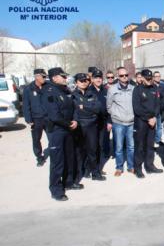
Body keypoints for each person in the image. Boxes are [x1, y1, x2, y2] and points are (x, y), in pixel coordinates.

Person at [43, 67, 79, 201]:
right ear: (54, 78)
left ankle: (69, 182)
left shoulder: (65, 90)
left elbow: (73, 107)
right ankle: (56, 190)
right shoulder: (49, 92)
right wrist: (70, 123)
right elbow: (54, 115)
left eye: (65, 76)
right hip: (57, 131)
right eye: (63, 77)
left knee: (70, 158)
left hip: (68, 129)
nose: (65, 79)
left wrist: (75, 119)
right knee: (57, 161)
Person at [72, 73, 105, 181]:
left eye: (86, 80)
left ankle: (95, 173)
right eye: (81, 81)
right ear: (76, 82)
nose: (84, 82)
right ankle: (81, 173)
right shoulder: (73, 95)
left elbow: (98, 108)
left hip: (92, 126)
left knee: (93, 150)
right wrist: (89, 107)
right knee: (80, 151)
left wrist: (84, 106)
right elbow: (75, 110)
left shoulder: (91, 94)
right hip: (80, 126)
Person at [132, 69, 164, 178]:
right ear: (142, 78)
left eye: (151, 78)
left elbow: (157, 105)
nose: (149, 80)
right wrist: (148, 118)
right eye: (147, 78)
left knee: (150, 145)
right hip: (141, 122)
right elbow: (137, 108)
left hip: (152, 121)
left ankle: (149, 166)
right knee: (140, 146)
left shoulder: (155, 89)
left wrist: (154, 117)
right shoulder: (137, 90)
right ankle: (138, 169)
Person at [107, 67, 135, 177]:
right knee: (118, 147)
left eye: (126, 75)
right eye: (122, 75)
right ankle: (119, 167)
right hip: (118, 123)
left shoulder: (133, 89)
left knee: (131, 147)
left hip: (131, 123)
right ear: (118, 77)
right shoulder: (112, 89)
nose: (124, 77)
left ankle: (131, 166)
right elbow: (109, 106)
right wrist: (116, 115)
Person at [22, 68, 49, 166]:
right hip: (36, 119)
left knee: (53, 137)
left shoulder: (47, 87)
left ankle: (55, 154)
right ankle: (39, 157)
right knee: (36, 139)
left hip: (48, 118)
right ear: (37, 76)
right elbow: (25, 105)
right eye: (43, 76)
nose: (45, 78)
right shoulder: (28, 89)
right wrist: (28, 119)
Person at [89, 69, 112, 174]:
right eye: (96, 78)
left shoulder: (106, 91)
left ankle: (98, 168)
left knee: (100, 146)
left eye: (100, 78)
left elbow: (109, 108)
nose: (98, 80)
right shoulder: (88, 91)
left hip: (103, 123)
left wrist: (109, 121)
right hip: (91, 124)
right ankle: (90, 168)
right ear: (92, 79)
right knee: (92, 147)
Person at [153, 71, 164, 148]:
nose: (158, 78)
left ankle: (157, 140)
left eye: (159, 76)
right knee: (152, 128)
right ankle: (152, 141)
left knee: (159, 127)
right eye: (156, 76)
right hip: (152, 112)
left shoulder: (162, 87)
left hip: (160, 111)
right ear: (153, 77)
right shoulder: (151, 87)